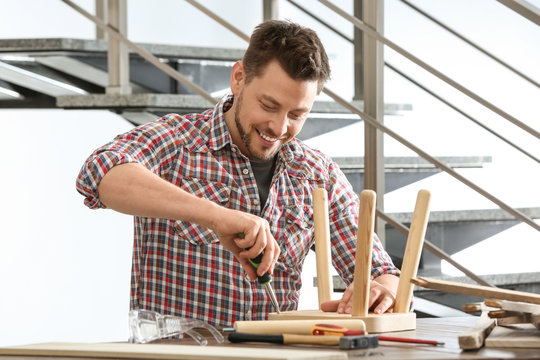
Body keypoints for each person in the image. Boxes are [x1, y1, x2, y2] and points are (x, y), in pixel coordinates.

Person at [76, 20, 400, 327]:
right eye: (269, 105)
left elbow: (382, 271)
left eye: (297, 114)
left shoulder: (317, 174)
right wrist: (216, 217)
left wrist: (382, 290)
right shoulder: (179, 142)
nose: (280, 127)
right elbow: (97, 174)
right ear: (238, 77)